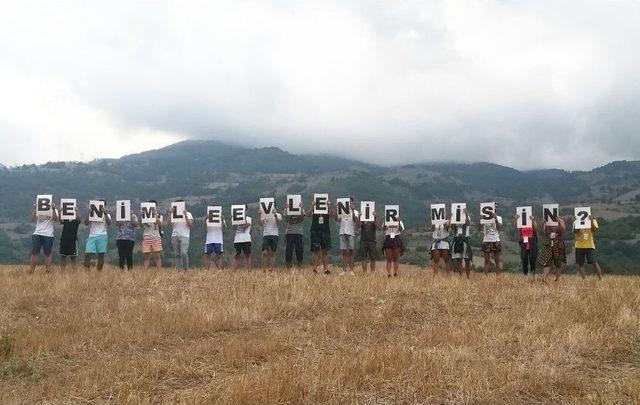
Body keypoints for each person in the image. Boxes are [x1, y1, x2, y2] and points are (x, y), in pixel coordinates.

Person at [30, 202, 58, 273]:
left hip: (48, 234)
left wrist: (54, 209)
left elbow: (55, 219)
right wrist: (35, 209)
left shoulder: (53, 209)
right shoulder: (38, 209)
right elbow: (32, 219)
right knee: (35, 252)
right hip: (37, 233)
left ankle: (48, 271)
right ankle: (31, 271)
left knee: (47, 253)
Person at [83, 200, 111, 271]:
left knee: (101, 255)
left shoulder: (107, 215)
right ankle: (86, 273)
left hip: (102, 235)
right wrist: (88, 214)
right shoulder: (92, 214)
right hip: (92, 235)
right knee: (87, 255)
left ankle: (98, 273)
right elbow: (86, 223)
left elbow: (109, 223)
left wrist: (105, 213)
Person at [309, 198, 334, 274]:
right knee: (315, 251)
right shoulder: (315, 208)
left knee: (325, 250)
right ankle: (314, 269)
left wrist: (329, 206)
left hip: (325, 230)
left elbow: (332, 215)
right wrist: (312, 206)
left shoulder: (326, 209)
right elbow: (309, 214)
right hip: (315, 230)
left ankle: (326, 269)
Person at [574, 215, 603, 280]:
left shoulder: (593, 220)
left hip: (590, 245)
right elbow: (575, 232)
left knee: (594, 262)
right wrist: (578, 223)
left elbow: (594, 230)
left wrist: (592, 221)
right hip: (579, 245)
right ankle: (584, 279)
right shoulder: (576, 221)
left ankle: (600, 278)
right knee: (580, 263)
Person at [334, 197, 359, 276]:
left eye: (351, 202)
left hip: (351, 233)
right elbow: (336, 219)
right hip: (342, 232)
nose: (349, 204)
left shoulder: (355, 212)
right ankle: (344, 269)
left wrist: (352, 210)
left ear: (352, 203)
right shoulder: (342, 211)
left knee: (351, 251)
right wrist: (336, 210)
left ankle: (351, 269)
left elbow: (355, 220)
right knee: (344, 252)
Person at [167, 200, 194, 271]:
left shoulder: (188, 214)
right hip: (175, 235)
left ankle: (186, 270)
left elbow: (191, 225)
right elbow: (168, 224)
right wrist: (170, 213)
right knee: (176, 254)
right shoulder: (173, 214)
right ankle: (180, 270)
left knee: (183, 253)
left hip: (185, 235)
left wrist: (185, 215)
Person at [540, 216, 566, 284]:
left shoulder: (560, 221)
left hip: (558, 244)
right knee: (547, 262)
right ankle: (544, 279)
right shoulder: (546, 223)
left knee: (558, 263)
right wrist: (543, 224)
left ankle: (557, 279)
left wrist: (559, 221)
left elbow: (563, 230)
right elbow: (542, 233)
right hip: (548, 244)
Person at [479, 206, 502, 275]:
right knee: (486, 260)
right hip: (487, 240)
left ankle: (498, 276)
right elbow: (479, 229)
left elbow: (499, 228)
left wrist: (495, 219)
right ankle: (486, 276)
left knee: (497, 260)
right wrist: (480, 220)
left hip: (495, 240)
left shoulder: (499, 218)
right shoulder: (484, 218)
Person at [450, 208, 472, 278]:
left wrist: (466, 214)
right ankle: (461, 276)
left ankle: (467, 276)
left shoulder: (467, 216)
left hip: (465, 239)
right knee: (458, 260)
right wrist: (452, 218)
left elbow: (468, 223)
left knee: (467, 259)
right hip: (456, 239)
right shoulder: (454, 217)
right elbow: (452, 227)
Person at [259, 204, 282, 272]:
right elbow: (260, 224)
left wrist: (275, 214)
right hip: (266, 234)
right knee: (264, 252)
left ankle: (271, 269)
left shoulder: (278, 214)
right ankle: (264, 269)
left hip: (274, 234)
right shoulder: (264, 215)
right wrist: (260, 215)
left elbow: (278, 222)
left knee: (273, 252)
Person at [141, 202, 163, 270]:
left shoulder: (159, 216)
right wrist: (141, 216)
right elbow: (141, 226)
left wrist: (155, 216)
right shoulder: (144, 215)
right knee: (147, 257)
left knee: (157, 256)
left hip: (156, 237)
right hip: (147, 237)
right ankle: (145, 273)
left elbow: (159, 224)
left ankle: (159, 272)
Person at [284, 202, 306, 269]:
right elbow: (287, 220)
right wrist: (287, 209)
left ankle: (299, 266)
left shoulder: (301, 209)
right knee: (289, 250)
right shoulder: (286, 209)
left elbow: (302, 219)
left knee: (299, 249)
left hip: (298, 232)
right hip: (289, 232)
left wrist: (301, 208)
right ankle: (288, 267)